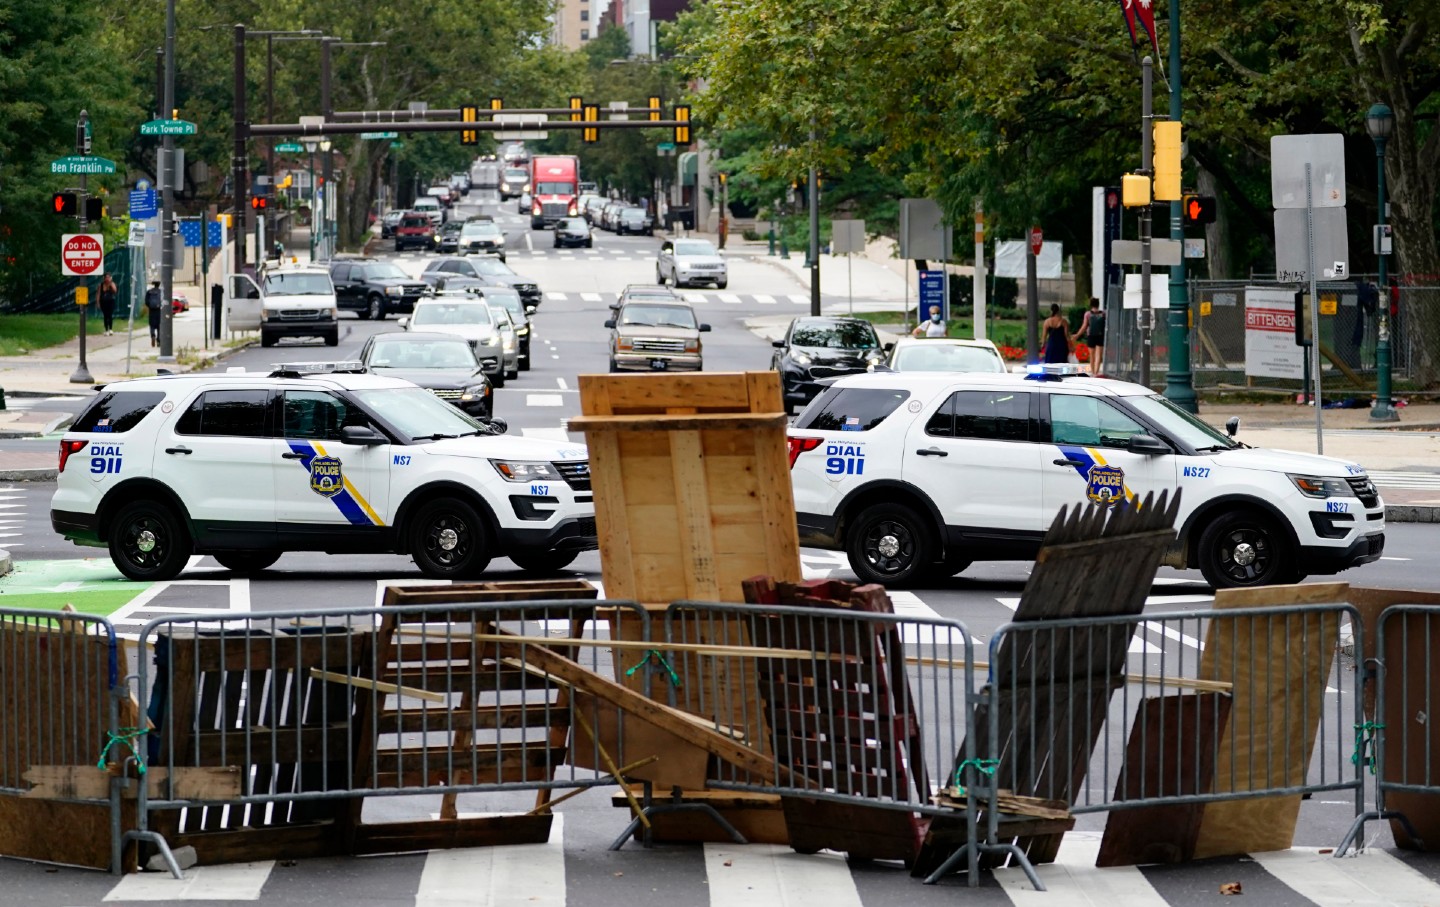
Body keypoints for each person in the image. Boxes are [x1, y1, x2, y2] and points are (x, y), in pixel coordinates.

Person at [1075, 297, 1106, 375]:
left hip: (1091, 336)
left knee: (1092, 355)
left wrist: (1077, 334)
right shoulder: (1103, 313)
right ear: (1098, 305)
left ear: (1091, 305)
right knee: (1098, 355)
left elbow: (1084, 326)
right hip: (1100, 336)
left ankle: (1092, 372)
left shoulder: (1088, 314)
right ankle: (1096, 372)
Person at [144, 281, 163, 347]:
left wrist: (150, 306)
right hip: (159, 310)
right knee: (159, 325)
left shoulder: (149, 292)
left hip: (151, 310)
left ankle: (153, 336)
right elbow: (163, 301)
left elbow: (146, 301)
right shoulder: (161, 292)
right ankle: (159, 340)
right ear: (159, 285)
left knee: (152, 324)